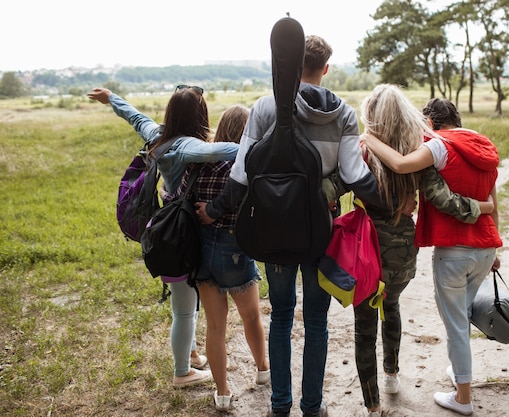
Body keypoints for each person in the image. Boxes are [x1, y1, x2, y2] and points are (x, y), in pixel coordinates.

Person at [196, 35, 386, 417]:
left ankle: (280, 405)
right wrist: (389, 203)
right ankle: (312, 407)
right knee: (316, 320)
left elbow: (241, 176)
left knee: (282, 315)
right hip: (321, 232)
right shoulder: (344, 114)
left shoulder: (266, 109)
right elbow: (355, 173)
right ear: (325, 69)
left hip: (273, 232)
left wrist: (213, 211)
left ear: (288, 65)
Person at [87, 86, 238, 388]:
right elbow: (220, 151)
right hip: (180, 232)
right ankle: (182, 372)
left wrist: (111, 99)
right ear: (199, 115)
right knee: (183, 309)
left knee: (188, 301)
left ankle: (192, 352)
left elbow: (134, 116)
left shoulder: (157, 135)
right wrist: (260, 144)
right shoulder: (185, 147)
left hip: (168, 226)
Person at [356, 85, 493, 417]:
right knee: (391, 305)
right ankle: (391, 375)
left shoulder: (360, 151)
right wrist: (482, 207)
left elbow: (337, 186)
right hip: (403, 249)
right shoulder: (417, 153)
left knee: (364, 321)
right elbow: (445, 200)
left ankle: (372, 404)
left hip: (366, 246)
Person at [174, 105, 270, 411]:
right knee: (251, 316)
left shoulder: (197, 165)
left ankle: (223, 392)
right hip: (235, 251)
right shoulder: (244, 166)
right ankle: (263, 370)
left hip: (202, 252)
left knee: (215, 326)